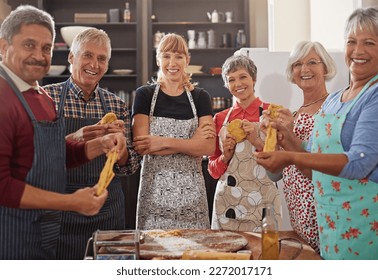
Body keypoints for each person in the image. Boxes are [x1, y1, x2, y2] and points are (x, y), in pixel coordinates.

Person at [255, 7, 378, 260]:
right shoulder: (334, 101)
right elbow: (310, 166)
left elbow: (358, 163)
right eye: (352, 42)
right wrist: (285, 136)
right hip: (331, 222)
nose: (358, 50)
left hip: (367, 221)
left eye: (369, 42)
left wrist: (290, 157)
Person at [0, 5, 127, 259]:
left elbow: (57, 155)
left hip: (44, 229)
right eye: (29, 45)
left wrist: (101, 144)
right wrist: (70, 202)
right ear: (3, 47)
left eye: (46, 48)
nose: (39, 55)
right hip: (14, 233)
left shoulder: (41, 96)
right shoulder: (3, 97)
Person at [43, 27, 140, 259]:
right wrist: (74, 137)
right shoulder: (46, 99)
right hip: (62, 208)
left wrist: (123, 150)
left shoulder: (117, 106)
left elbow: (130, 166)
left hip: (107, 209)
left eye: (101, 58)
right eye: (87, 55)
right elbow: (36, 157)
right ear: (71, 57)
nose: (94, 64)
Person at [132, 33, 216, 230]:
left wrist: (160, 142)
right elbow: (141, 145)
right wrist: (191, 144)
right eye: (167, 56)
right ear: (158, 59)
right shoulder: (144, 95)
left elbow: (209, 147)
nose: (172, 62)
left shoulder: (200, 97)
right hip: (154, 195)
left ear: (187, 60)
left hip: (193, 197)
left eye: (179, 56)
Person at [265, 41, 337, 253]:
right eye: (297, 64)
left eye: (312, 62)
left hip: (326, 213)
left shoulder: (333, 108)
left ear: (325, 68)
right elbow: (274, 175)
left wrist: (288, 134)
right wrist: (268, 140)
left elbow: (328, 166)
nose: (304, 69)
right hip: (299, 220)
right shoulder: (293, 115)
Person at [208, 54, 281, 232]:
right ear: (227, 85)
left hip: (264, 201)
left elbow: (279, 166)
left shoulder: (272, 114)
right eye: (231, 80)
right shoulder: (220, 119)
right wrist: (225, 156)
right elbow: (213, 171)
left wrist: (257, 142)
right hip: (228, 202)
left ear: (254, 79)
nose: (238, 84)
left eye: (243, 77)